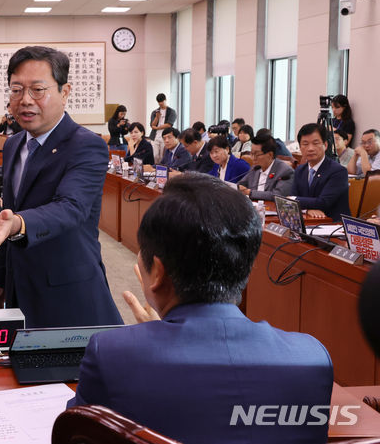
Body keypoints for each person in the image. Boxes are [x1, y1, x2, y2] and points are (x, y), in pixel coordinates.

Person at [67, 172, 333, 444]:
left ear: (157, 272)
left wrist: (147, 342)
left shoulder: (111, 353)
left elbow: (74, 431)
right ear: (246, 267)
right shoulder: (312, 356)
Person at [0, 45, 122, 328]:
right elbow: (9, 213)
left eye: (37, 90)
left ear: (65, 91)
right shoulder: (13, 145)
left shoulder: (86, 145)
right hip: (20, 286)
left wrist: (19, 223)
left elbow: (71, 208)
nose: (25, 100)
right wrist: (0, 279)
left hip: (67, 291)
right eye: (16, 90)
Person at [292, 123, 351, 221]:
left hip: (334, 225)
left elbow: (323, 202)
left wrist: (294, 200)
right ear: (300, 147)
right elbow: (292, 200)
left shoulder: (338, 171)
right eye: (305, 144)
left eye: (315, 143)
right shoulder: (300, 170)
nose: (310, 148)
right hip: (308, 221)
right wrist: (306, 210)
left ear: (326, 145)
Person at [237, 135, 294, 201]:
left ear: (270, 155)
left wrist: (250, 192)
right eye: (252, 153)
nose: (253, 158)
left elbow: (278, 195)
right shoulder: (255, 168)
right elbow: (241, 184)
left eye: (257, 154)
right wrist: (239, 187)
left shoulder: (285, 171)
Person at [148, 93, 176, 161]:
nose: (160, 103)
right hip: (155, 136)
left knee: (162, 156)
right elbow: (152, 125)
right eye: (159, 102)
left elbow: (169, 124)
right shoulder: (155, 112)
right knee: (155, 155)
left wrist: (157, 128)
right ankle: (155, 169)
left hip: (165, 136)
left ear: (165, 100)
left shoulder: (171, 111)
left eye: (162, 101)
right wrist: (157, 117)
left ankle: (161, 170)